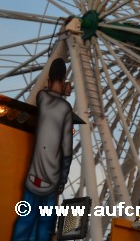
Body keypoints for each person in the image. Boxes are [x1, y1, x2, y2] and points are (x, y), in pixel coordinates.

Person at [13, 59, 74, 241]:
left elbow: (50, 90)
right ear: (64, 79)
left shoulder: (42, 97)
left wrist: (61, 86)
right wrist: (62, 180)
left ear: (49, 79)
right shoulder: (65, 109)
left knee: (24, 221)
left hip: (33, 179)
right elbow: (67, 151)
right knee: (45, 227)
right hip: (51, 183)